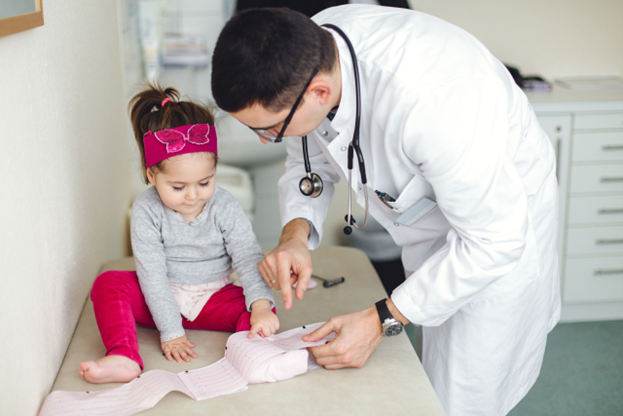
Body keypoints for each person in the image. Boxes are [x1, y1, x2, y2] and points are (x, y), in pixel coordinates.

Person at [210, 5, 560, 416]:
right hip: (436, 223)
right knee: (430, 372)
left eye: (268, 128)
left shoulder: (434, 103)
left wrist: (382, 318)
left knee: (463, 396)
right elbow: (311, 157)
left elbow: (495, 241)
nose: (266, 140)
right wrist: (295, 235)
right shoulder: (308, 53)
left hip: (497, 236)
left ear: (319, 93)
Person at [79, 84, 278, 384]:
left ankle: (251, 352)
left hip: (213, 297)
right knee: (108, 284)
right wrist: (171, 331)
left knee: (260, 305)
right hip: (159, 296)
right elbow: (152, 273)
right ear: (152, 175)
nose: (193, 196)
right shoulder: (146, 209)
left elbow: (248, 256)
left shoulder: (224, 205)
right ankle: (123, 356)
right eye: (178, 187)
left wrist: (261, 307)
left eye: (204, 182)